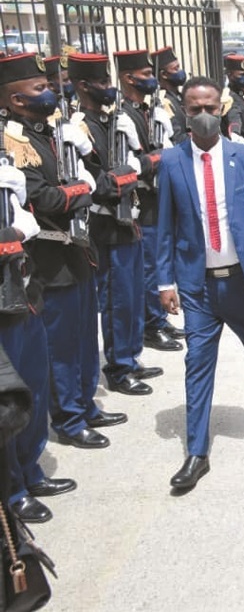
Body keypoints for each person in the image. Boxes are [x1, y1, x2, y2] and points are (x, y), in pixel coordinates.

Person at [156, 76, 244, 491]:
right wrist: (164, 282)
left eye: (211, 108)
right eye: (195, 109)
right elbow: (164, 227)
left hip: (243, 279)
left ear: (222, 108)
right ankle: (196, 452)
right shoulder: (172, 162)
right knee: (196, 365)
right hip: (197, 287)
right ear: (184, 112)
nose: (205, 116)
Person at [3, 52, 127, 451]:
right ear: (16, 100)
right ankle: (69, 418)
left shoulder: (51, 131)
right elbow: (41, 198)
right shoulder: (11, 140)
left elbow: (91, 174)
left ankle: (85, 402)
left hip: (76, 250)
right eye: (38, 88)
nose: (50, 92)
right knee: (59, 346)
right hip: (48, 256)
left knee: (83, 337)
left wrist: (84, 167)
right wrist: (81, 191)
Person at [70, 52, 159, 398]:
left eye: (109, 80)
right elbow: (100, 184)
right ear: (83, 86)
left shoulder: (112, 121)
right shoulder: (80, 128)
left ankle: (130, 356)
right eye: (102, 82)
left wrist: (133, 165)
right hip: (104, 225)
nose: (108, 88)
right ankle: (119, 366)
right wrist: (141, 166)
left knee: (132, 295)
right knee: (115, 298)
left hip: (127, 220)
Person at [0, 161, 77, 523]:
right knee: (8, 401)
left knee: (33, 386)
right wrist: (10, 231)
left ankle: (30, 471)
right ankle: (12, 490)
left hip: (23, 290)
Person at [115, 50, 183, 353]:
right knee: (149, 267)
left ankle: (158, 319)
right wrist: (156, 158)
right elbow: (131, 164)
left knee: (159, 261)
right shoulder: (124, 115)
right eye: (145, 74)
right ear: (129, 78)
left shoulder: (147, 110)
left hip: (158, 197)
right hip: (140, 199)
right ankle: (152, 324)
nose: (151, 79)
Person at [153, 46, 189, 145]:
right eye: (175, 69)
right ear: (164, 74)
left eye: (179, 67)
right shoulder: (163, 101)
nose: (180, 71)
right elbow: (177, 137)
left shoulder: (180, 96)